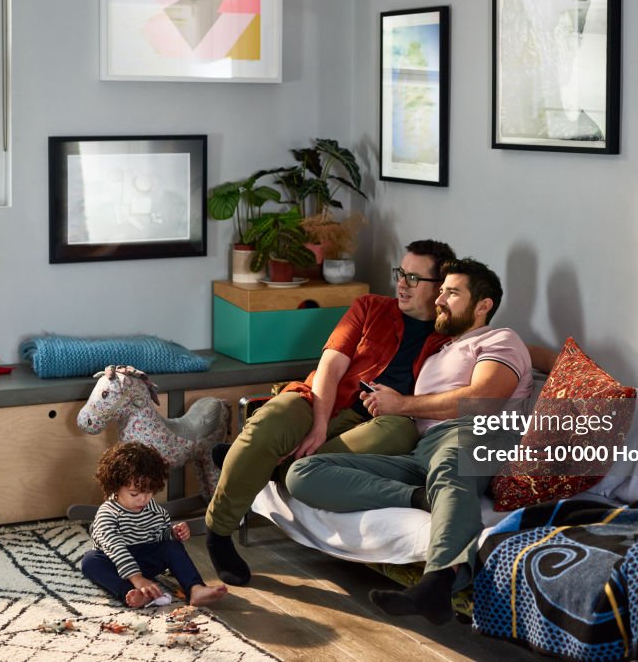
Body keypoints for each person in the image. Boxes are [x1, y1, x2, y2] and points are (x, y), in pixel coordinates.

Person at [285, 258, 533, 625]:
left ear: (483, 306)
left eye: (452, 293)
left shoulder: (500, 339)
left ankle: (438, 584)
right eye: (441, 291)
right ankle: (422, 497)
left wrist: (402, 404)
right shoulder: (439, 349)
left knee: (451, 464)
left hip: (481, 436)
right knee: (302, 473)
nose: (440, 299)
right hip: (423, 451)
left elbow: (485, 399)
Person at [205, 239, 457, 586]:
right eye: (401, 273)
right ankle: (218, 533)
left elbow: (502, 345)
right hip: (323, 399)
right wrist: (319, 425)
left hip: (384, 420)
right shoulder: (370, 307)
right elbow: (330, 366)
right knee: (271, 421)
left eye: (414, 278)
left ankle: (263, 462)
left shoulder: (450, 338)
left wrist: (553, 356)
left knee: (399, 431)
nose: (401, 283)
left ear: (439, 288)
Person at [81, 441, 227, 608]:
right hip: (115, 562)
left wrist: (173, 533)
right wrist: (137, 578)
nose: (143, 499)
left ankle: (195, 588)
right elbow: (115, 547)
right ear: (115, 487)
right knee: (90, 562)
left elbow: (158, 536)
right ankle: (131, 592)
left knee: (171, 546)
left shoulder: (154, 510)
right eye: (134, 494)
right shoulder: (108, 513)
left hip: (145, 560)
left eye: (149, 492)